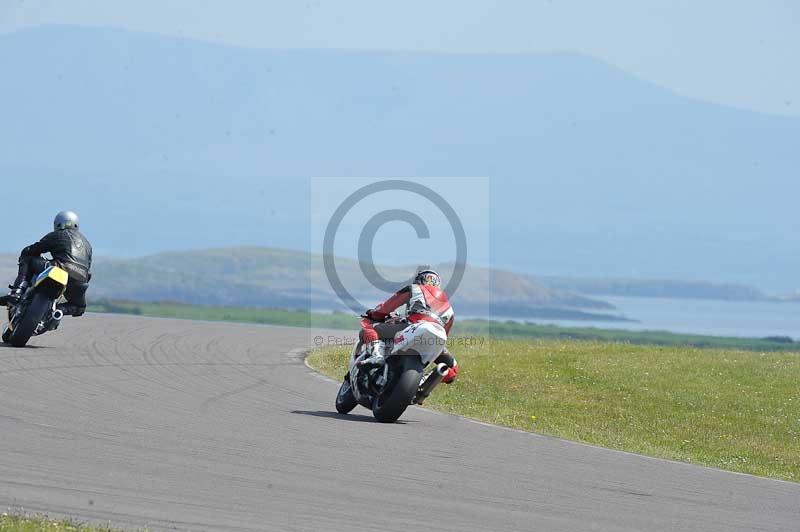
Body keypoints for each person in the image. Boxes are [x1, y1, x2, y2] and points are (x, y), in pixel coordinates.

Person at [358, 267, 458, 384]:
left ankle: (377, 356)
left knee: (369, 329)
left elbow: (387, 307)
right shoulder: (450, 309)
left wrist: (374, 314)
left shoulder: (415, 288)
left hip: (414, 325)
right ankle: (425, 382)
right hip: (437, 339)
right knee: (453, 368)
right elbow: (444, 335)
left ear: (419, 280)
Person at [0, 211, 92, 316]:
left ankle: (17, 291)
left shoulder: (57, 234)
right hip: (80, 279)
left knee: (28, 259)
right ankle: (57, 312)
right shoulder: (87, 245)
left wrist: (27, 252)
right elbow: (88, 269)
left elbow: (32, 250)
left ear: (57, 224)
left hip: (60, 268)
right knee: (79, 307)